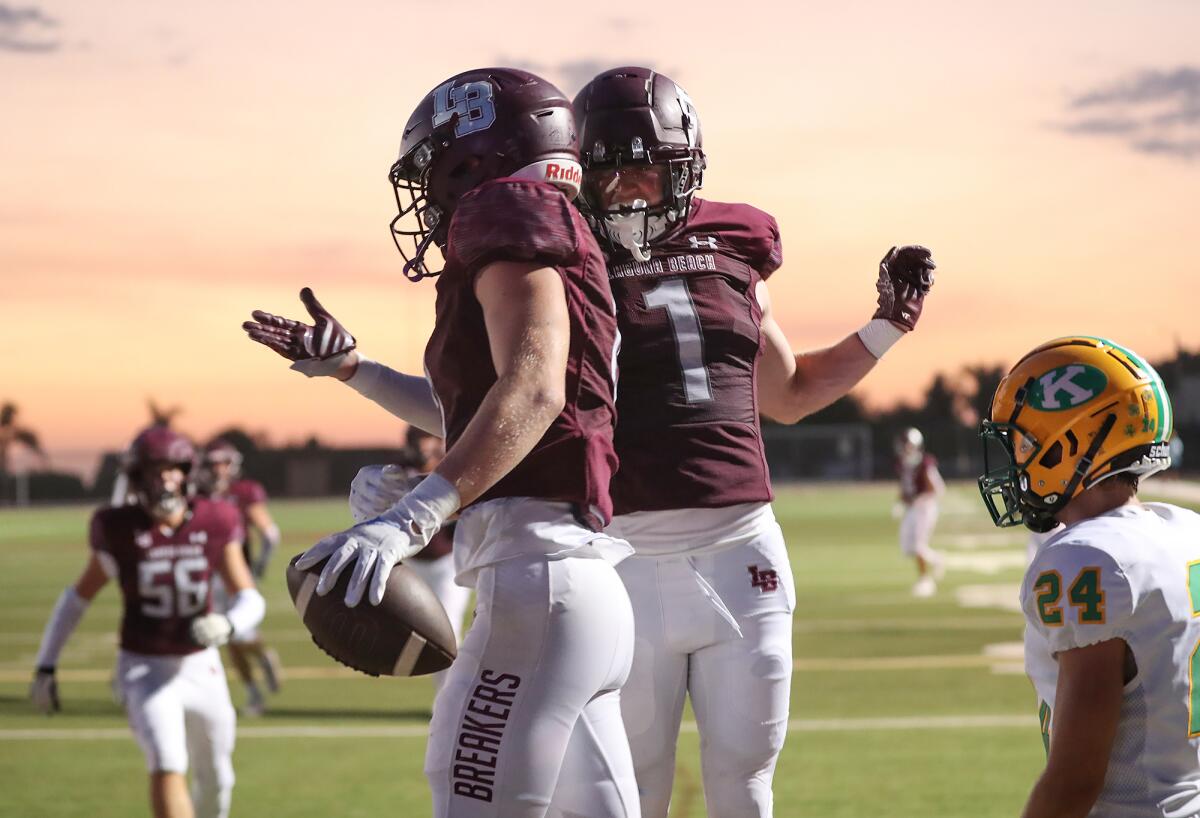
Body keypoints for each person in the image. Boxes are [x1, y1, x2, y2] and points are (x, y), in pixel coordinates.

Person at [243, 68, 638, 818]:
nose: (427, 195)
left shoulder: (506, 208)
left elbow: (533, 392)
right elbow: (498, 408)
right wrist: (356, 373)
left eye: (434, 169)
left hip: (538, 587)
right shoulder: (562, 227)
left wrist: (412, 517)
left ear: (473, 161)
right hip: (578, 590)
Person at [568, 66, 937, 817]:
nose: (628, 188)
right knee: (630, 793)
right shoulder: (565, 252)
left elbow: (791, 394)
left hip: (743, 555)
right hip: (622, 559)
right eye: (607, 171)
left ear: (684, 164)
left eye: (646, 166)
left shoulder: (737, 238)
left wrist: (886, 329)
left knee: (745, 787)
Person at [977, 335, 1198, 817]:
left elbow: (1076, 778)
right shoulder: (1187, 531)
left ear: (1071, 442)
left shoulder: (1087, 559)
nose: (1015, 460)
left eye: (1024, 442)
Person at [29, 427, 264, 818]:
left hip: (200, 665)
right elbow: (76, 599)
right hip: (144, 667)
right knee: (167, 761)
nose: (162, 479)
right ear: (136, 478)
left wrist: (229, 625)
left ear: (187, 473)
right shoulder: (118, 527)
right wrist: (46, 664)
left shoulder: (216, 519)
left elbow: (249, 596)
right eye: (153, 470)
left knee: (219, 778)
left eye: (171, 469)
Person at [348, 426, 472, 692]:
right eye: (420, 439)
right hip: (408, 564)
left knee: (446, 634)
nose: (425, 446)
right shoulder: (396, 471)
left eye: (429, 437)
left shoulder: (457, 464)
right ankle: (448, 700)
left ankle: (450, 700)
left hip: (445, 564)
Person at [195, 438, 283, 715]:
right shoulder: (194, 493)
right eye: (213, 464)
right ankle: (253, 691)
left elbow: (270, 533)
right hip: (205, 575)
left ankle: (260, 661)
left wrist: (258, 566)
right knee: (226, 636)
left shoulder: (243, 492)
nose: (219, 469)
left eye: (223, 463)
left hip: (236, 573)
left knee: (236, 635)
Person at [894, 427, 945, 597]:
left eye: (905, 444)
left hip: (925, 508)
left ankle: (925, 581)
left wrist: (918, 500)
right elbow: (905, 487)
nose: (903, 447)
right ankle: (937, 559)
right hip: (912, 508)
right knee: (906, 547)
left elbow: (937, 489)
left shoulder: (925, 462)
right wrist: (901, 502)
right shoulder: (903, 463)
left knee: (917, 546)